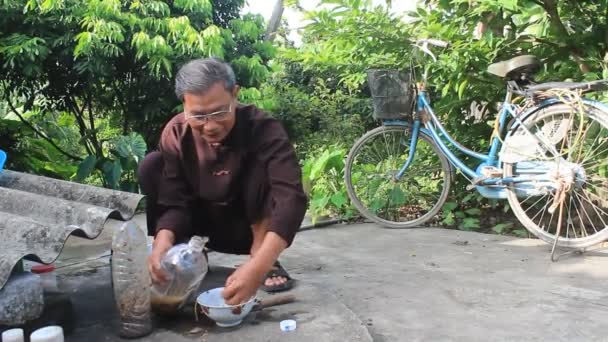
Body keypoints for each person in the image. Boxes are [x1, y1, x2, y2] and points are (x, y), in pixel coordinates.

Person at [138, 58, 308, 305]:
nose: (210, 127)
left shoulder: (263, 128)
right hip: (203, 225)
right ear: (184, 104)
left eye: (219, 112)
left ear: (235, 94)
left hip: (247, 230)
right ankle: (190, 253)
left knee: (266, 171)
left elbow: (290, 198)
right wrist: (162, 242)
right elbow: (173, 200)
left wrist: (258, 266)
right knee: (151, 165)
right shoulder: (175, 133)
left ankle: (263, 256)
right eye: (198, 116)